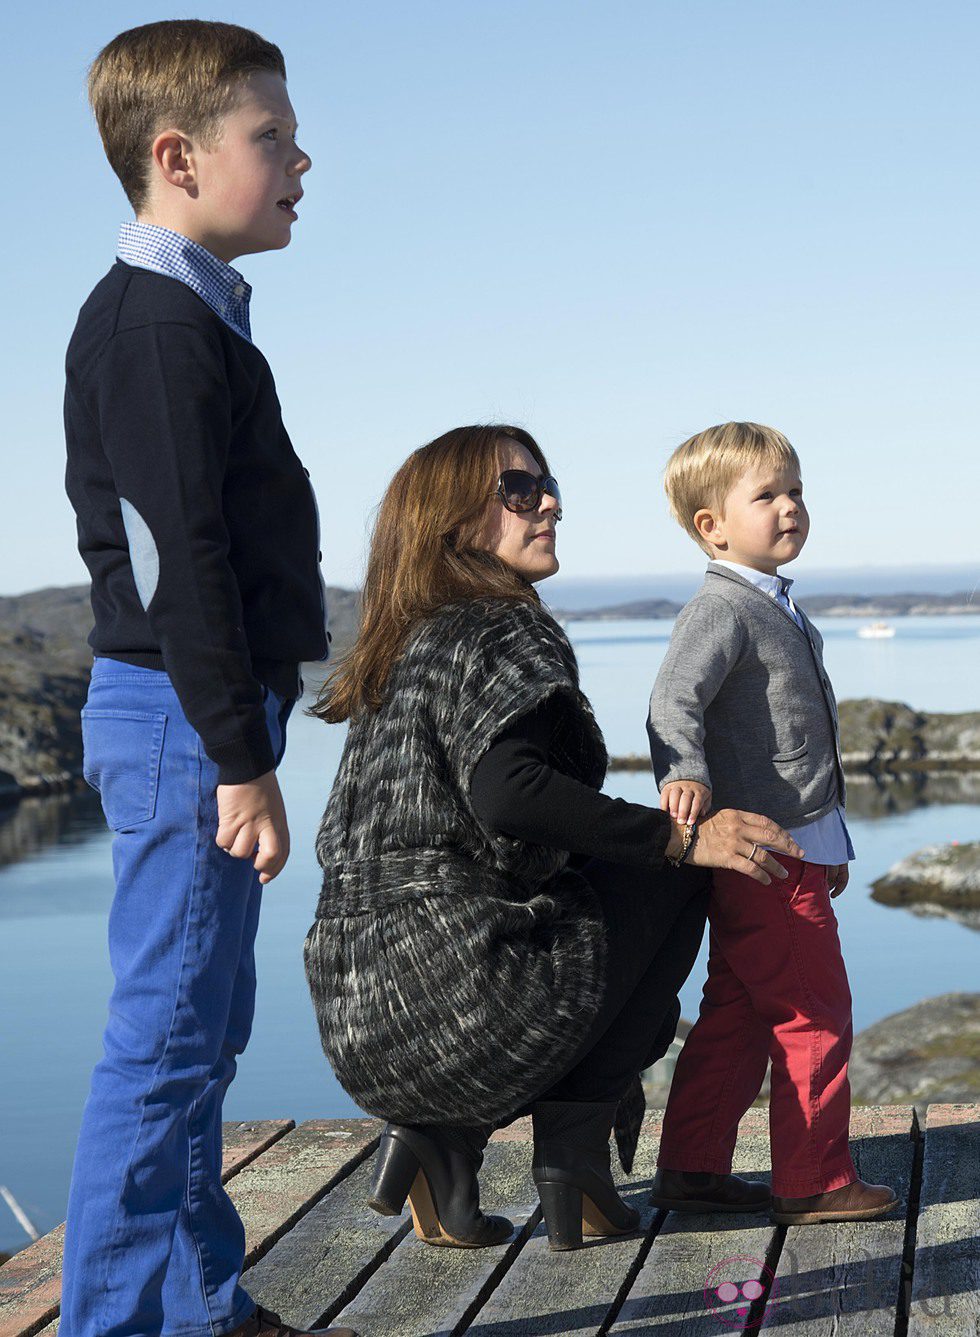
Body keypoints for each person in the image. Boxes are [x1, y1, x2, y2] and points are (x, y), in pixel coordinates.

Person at [305, 424, 804, 1252]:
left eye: (547, 484)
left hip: (360, 1014)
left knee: (634, 857)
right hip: (457, 1000)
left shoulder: (409, 644)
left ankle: (446, 1145)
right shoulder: (502, 627)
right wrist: (684, 841)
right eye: (520, 491)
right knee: (679, 865)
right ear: (455, 523)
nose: (552, 503)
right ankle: (567, 1154)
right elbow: (512, 796)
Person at [61, 21, 353, 1337]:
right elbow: (180, 562)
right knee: (167, 1039)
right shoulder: (158, 332)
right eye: (273, 136)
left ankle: (194, 1300)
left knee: (203, 1029)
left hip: (192, 717)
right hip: (185, 724)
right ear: (176, 156)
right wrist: (242, 755)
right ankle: (122, 1321)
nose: (302, 158)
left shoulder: (188, 320)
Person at [646, 421, 898, 1225]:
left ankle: (691, 1165)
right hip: (762, 854)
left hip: (791, 849)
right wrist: (682, 771)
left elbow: (800, 740)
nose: (791, 506)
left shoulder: (775, 602)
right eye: (768, 495)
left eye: (796, 490)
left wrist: (830, 845)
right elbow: (671, 701)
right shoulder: (721, 607)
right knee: (813, 1009)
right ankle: (815, 1180)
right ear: (710, 526)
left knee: (740, 1007)